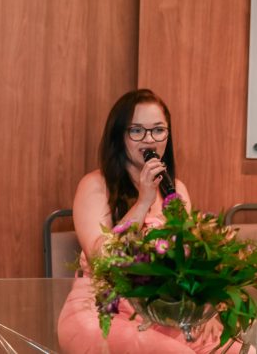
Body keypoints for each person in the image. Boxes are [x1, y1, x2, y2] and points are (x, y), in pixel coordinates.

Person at [57, 89, 245, 353]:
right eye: (137, 131)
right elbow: (101, 260)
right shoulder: (95, 185)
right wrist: (143, 201)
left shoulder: (176, 189)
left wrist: (209, 309)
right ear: (119, 135)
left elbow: (188, 265)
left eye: (158, 130)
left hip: (162, 312)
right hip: (102, 311)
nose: (149, 139)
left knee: (238, 349)